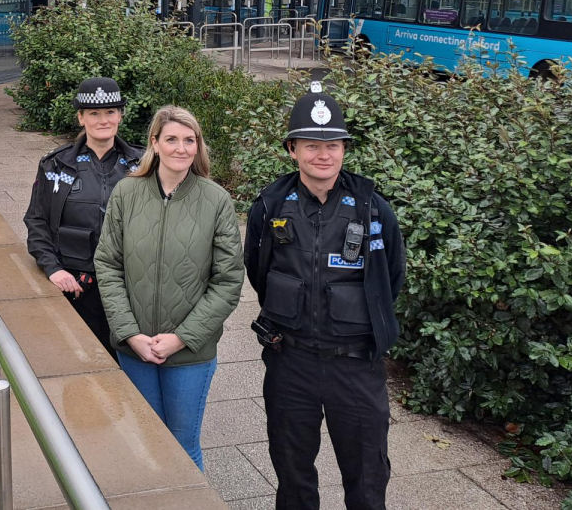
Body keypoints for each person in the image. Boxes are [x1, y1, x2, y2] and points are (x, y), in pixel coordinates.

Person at [243, 81, 405, 510]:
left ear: (344, 150)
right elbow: (258, 271)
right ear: (292, 149)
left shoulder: (373, 208)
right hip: (290, 362)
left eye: (333, 145)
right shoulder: (270, 206)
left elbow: (391, 277)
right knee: (292, 477)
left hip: (355, 366)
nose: (323, 154)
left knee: (367, 481)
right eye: (312, 145)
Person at [94, 105, 243, 472]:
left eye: (190, 140)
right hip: (135, 349)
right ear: (155, 143)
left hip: (189, 354)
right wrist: (130, 334)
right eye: (172, 139)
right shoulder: (127, 193)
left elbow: (227, 281)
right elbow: (108, 264)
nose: (181, 148)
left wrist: (181, 338)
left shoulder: (216, 200)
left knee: (182, 447)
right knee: (147, 444)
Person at [24, 77, 143, 355]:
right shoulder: (56, 165)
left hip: (130, 286)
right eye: (94, 113)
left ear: (120, 116)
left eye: (110, 112)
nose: (103, 120)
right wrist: (53, 268)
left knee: (130, 361)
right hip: (77, 286)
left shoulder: (144, 165)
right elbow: (37, 221)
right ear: (81, 117)